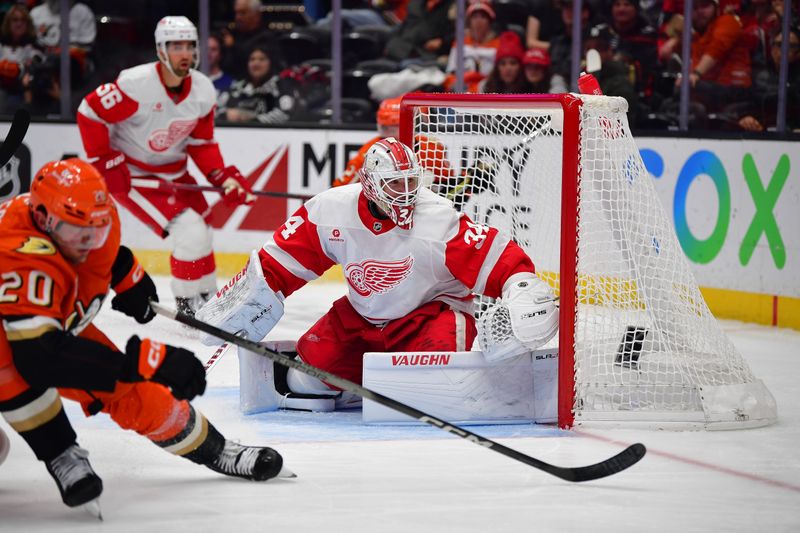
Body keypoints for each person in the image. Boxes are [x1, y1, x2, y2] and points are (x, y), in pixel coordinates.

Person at [0, 159, 290, 514]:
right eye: (79, 233)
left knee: (131, 390)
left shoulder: (89, 217)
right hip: (21, 344)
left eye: (98, 230)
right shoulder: (19, 256)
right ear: (44, 220)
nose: (90, 242)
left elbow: (102, 250)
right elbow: (39, 358)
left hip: (47, 327)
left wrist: (125, 274)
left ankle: (218, 450)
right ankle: (61, 452)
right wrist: (143, 361)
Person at [198, 137, 559, 408]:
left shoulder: (437, 216)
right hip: (361, 320)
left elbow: (494, 257)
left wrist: (521, 285)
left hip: (428, 316)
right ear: (370, 184)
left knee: (441, 387)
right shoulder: (330, 209)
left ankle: (381, 384)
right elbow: (280, 263)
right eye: (394, 184)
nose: (405, 194)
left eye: (410, 182)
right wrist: (247, 298)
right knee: (305, 383)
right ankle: (362, 389)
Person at [76, 16, 255, 317]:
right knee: (190, 231)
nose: (184, 53)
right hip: (134, 176)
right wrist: (106, 160)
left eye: (189, 46)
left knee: (204, 229)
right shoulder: (136, 84)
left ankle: (209, 301)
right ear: (160, 49)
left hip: (174, 174)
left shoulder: (202, 90)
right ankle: (188, 307)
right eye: (175, 46)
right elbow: (89, 112)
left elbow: (202, 143)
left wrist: (222, 177)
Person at [217, 42, 288, 124]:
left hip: (269, 134)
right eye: (252, 59)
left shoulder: (281, 86)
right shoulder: (238, 87)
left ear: (271, 63)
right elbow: (218, 110)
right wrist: (225, 114)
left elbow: (284, 115)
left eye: (262, 59)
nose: (256, 64)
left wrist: (251, 119)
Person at [0, 4, 43, 113]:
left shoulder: (34, 44)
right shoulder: (1, 43)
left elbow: (36, 62)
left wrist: (20, 69)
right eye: (15, 20)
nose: (19, 24)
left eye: (23, 20)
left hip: (23, 91)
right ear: (8, 22)